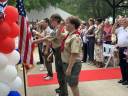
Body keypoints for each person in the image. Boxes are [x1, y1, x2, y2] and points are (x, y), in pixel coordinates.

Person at [61, 16, 82, 96]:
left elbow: (74, 54)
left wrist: (69, 68)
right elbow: (58, 35)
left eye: (67, 23)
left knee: (73, 85)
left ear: (73, 25)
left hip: (73, 64)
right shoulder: (69, 34)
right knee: (71, 84)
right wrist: (60, 26)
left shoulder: (75, 37)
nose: (65, 25)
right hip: (67, 63)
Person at [112, 18, 128, 85]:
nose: (122, 22)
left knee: (126, 64)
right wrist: (115, 23)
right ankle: (123, 78)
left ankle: (127, 79)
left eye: (124, 21)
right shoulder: (120, 29)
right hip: (121, 48)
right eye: (121, 21)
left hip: (126, 48)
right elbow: (112, 31)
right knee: (121, 63)